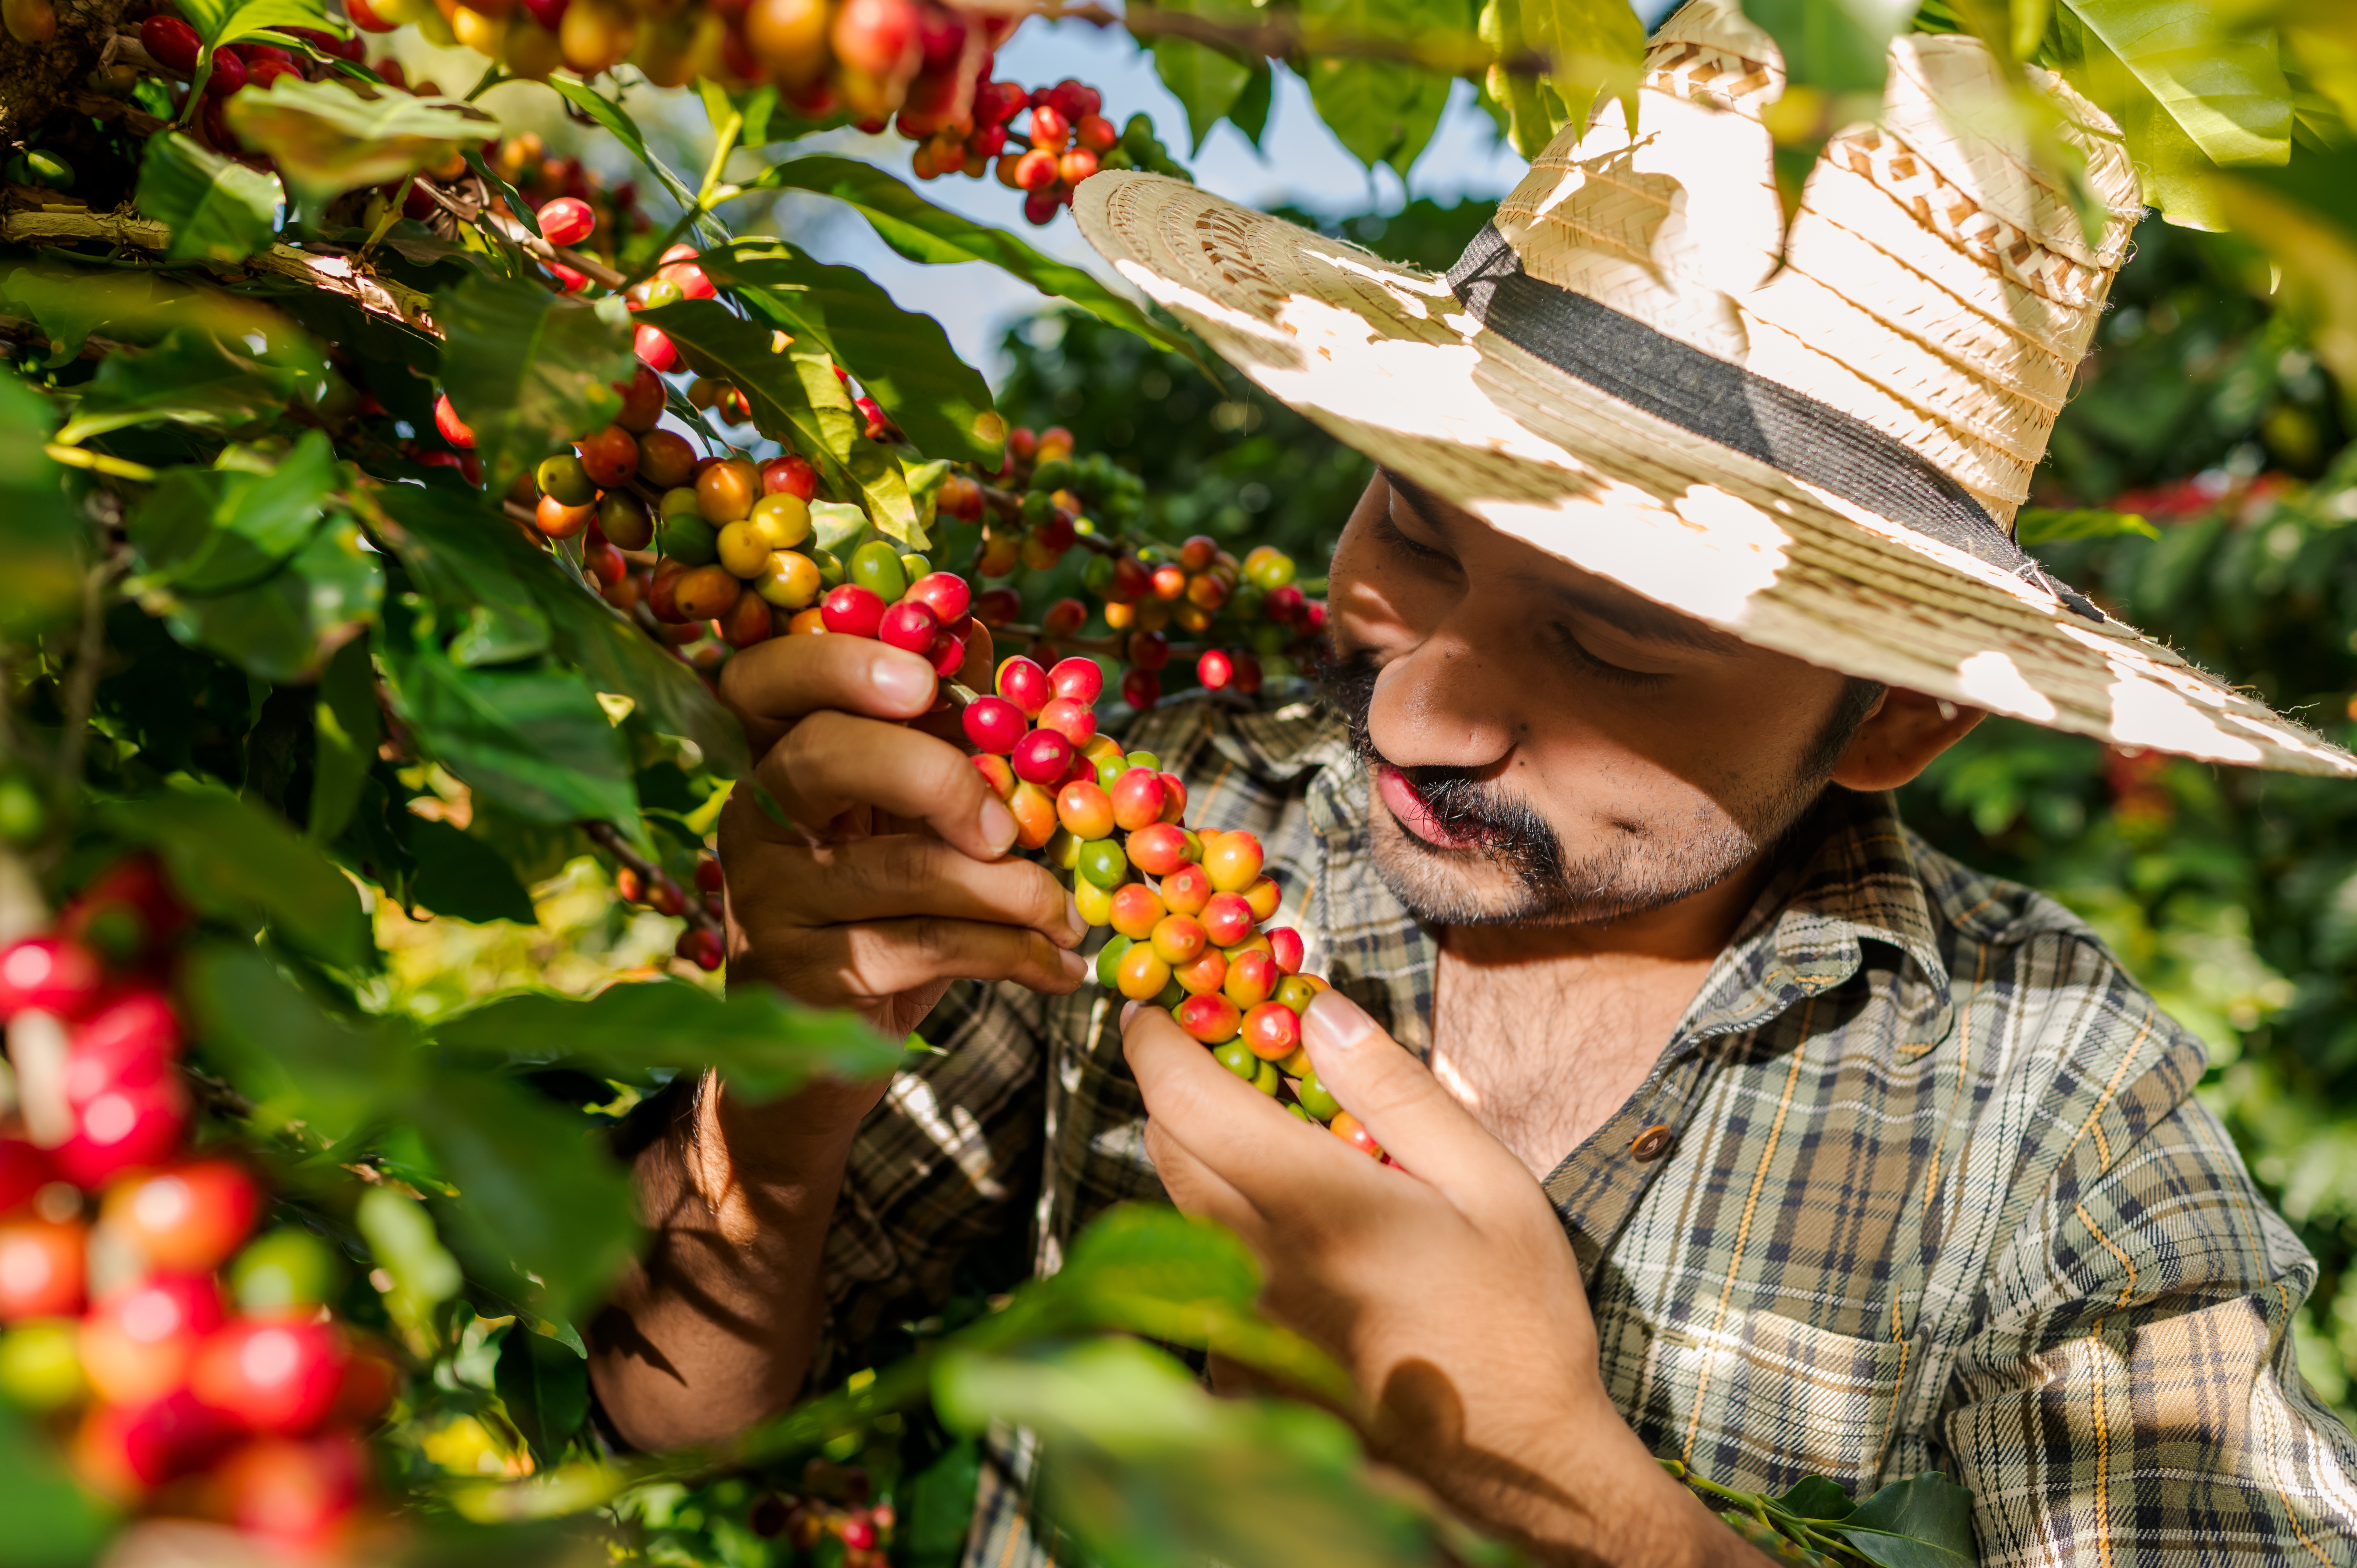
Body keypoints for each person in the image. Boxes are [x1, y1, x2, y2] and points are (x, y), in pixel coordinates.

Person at [586, 4, 2357, 1563]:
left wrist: (1567, 1489)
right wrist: (786, 1079)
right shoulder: (1189, 813)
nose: (1418, 714)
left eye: (1615, 648)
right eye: (1412, 541)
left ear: (1894, 720)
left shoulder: (2046, 1100)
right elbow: (681, 1413)